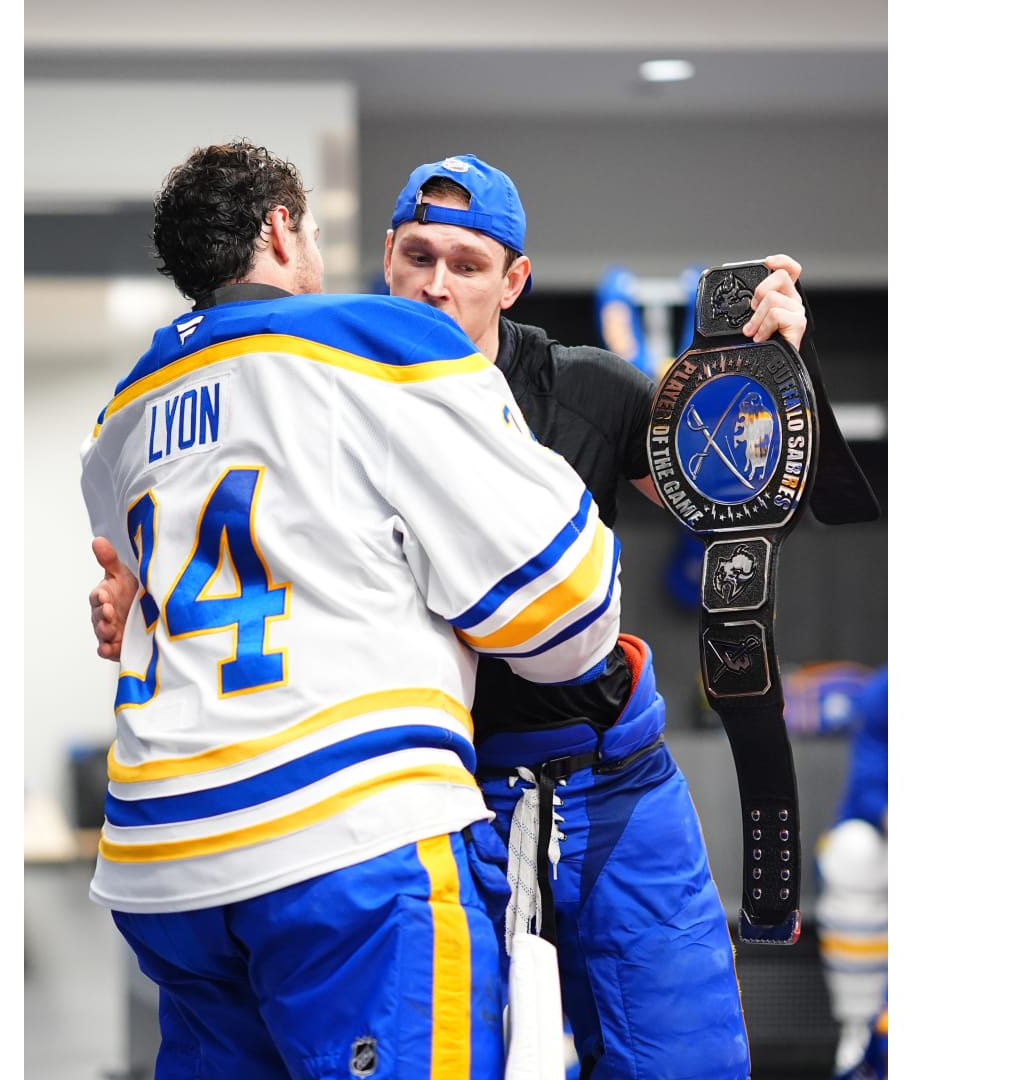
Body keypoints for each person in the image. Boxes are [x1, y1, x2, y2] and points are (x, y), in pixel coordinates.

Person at [90, 152, 834, 1080]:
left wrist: (772, 372)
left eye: (467, 265)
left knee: (686, 1059)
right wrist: (148, 603)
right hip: (450, 796)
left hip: (606, 773)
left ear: (514, 281)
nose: (437, 284)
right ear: (386, 259)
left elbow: (740, 498)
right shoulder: (340, 373)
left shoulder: (582, 387)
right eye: (417, 257)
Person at [815, 664, 888, 1078]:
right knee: (853, 851)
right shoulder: (887, 691)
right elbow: (868, 787)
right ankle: (865, 1033)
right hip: (889, 840)